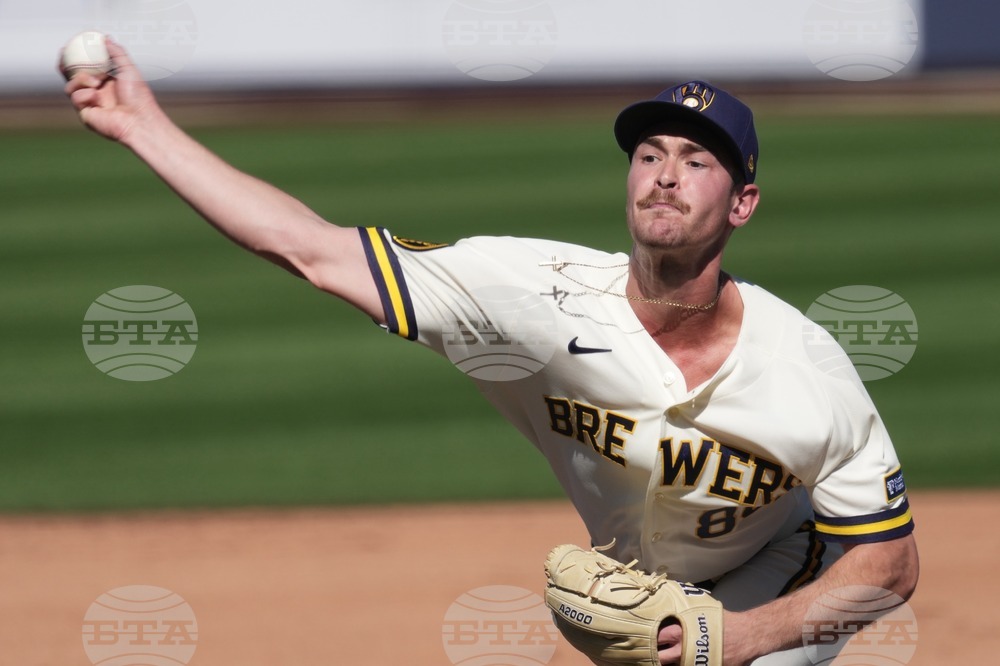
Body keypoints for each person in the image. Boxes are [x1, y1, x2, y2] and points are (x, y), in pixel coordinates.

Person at [62, 40, 918, 666]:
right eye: (649, 154)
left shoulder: (805, 368)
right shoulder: (527, 295)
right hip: (641, 583)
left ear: (742, 204)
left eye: (697, 161)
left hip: (784, 568)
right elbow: (311, 249)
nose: (664, 174)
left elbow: (892, 561)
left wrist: (743, 636)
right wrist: (141, 125)